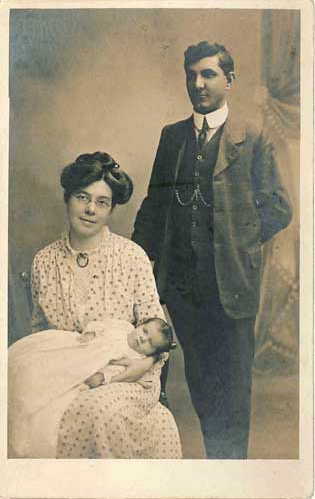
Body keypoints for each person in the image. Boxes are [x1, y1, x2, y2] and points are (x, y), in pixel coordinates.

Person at [132, 41, 292, 459]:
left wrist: (236, 244)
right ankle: (214, 463)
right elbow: (154, 205)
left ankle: (232, 471)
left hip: (232, 287)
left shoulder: (253, 138)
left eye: (208, 74)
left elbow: (279, 208)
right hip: (184, 290)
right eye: (192, 75)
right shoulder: (173, 138)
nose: (198, 83)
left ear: (229, 80)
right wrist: (132, 259)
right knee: (202, 385)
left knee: (234, 387)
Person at [8, 151, 182, 459]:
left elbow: (158, 335)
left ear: (112, 208)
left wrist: (133, 369)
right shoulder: (44, 262)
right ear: (67, 199)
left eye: (102, 202)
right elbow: (42, 337)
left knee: (99, 410)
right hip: (63, 374)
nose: (90, 209)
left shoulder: (132, 257)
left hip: (130, 373)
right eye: (82, 197)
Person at [8, 317, 175, 457]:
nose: (143, 339)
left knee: (60, 379)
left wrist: (102, 377)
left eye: (150, 344)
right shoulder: (123, 326)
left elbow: (117, 369)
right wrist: (91, 332)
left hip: (88, 365)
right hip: (78, 346)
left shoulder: (135, 356)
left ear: (151, 353)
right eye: (145, 331)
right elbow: (101, 324)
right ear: (140, 325)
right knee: (38, 358)